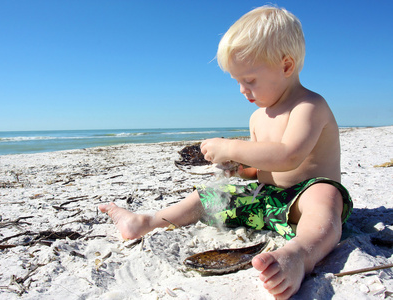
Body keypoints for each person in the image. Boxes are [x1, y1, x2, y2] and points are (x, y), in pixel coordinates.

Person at [99, 5, 353, 299]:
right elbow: (262, 169)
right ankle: (147, 222)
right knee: (208, 195)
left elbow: (289, 155)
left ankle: (299, 254)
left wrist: (230, 145)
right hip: (268, 203)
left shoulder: (308, 106)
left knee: (326, 195)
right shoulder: (257, 118)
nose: (243, 90)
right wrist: (237, 168)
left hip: (304, 203)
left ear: (286, 66)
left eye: (250, 80)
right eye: (238, 82)